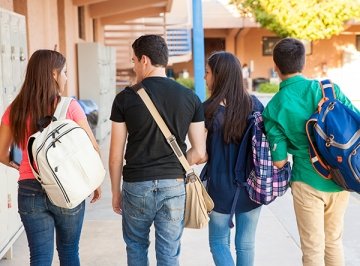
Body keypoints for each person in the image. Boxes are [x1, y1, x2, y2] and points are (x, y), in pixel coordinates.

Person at [108, 34, 207, 266]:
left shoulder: (124, 99)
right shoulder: (191, 98)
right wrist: (176, 163)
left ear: (144, 60)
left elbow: (115, 156)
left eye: (133, 61)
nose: (133, 66)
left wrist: (115, 192)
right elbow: (199, 152)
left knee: (135, 247)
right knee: (169, 253)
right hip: (173, 185)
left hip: (136, 185)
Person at [262, 38, 359, 266]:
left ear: (276, 67)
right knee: (333, 241)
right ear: (303, 63)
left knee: (312, 247)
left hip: (306, 180)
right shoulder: (328, 89)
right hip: (340, 177)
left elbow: (278, 161)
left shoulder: (274, 107)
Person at [0, 49, 102, 265]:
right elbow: (92, 146)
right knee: (69, 252)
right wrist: (94, 181)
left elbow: (1, 153)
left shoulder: (14, 109)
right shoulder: (69, 106)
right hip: (68, 186)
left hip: (29, 189)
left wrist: (22, 169)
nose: (66, 77)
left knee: (39, 257)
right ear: (54, 74)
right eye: (64, 72)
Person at [203, 51, 263, 266]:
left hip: (219, 189)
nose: (205, 78)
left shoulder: (207, 110)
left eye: (207, 73)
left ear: (219, 76)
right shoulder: (255, 105)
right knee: (246, 243)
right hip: (252, 187)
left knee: (219, 242)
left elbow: (201, 154)